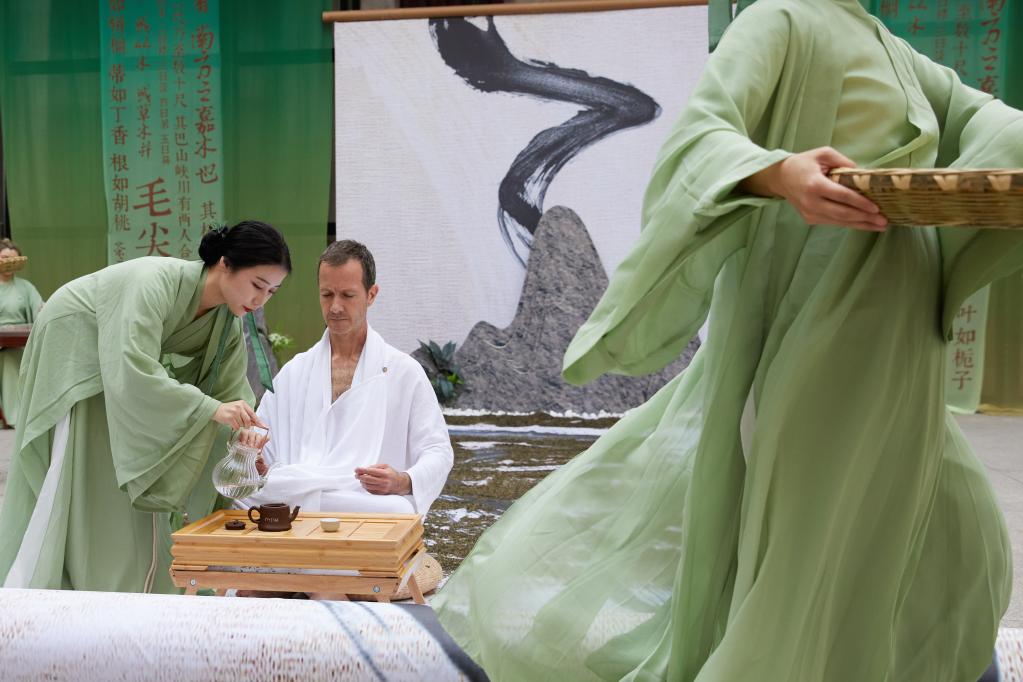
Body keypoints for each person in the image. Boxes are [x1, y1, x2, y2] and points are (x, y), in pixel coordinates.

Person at [434, 1, 1023, 680]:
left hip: (898, 337)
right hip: (822, 330)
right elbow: (701, 134)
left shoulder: (888, 46)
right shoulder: (779, 18)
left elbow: (983, 117)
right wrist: (780, 173)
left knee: (957, 535)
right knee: (806, 556)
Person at [0, 220, 290, 593]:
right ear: (224, 263)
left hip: (123, 370)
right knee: (91, 476)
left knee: (167, 452)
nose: (260, 300)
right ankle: (81, 585)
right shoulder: (153, 282)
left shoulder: (227, 323)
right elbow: (131, 366)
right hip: (76, 348)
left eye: (272, 292)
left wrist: (245, 441)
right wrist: (210, 409)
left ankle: (151, 580)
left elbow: (232, 396)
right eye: (257, 285)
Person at [239, 239, 452, 517]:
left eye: (347, 295)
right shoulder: (296, 371)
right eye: (327, 295)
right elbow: (261, 441)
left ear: (371, 295)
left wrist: (402, 481)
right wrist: (255, 458)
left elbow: (438, 450)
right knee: (238, 496)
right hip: (298, 491)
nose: (335, 307)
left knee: (396, 510)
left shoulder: (403, 371)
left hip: (363, 498)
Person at [0, 239, 44, 427]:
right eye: (3, 257)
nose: (8, 262)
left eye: (12, 258)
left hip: (15, 343)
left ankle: (16, 416)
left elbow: (39, 308)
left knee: (12, 359)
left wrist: (43, 310)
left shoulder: (25, 287)